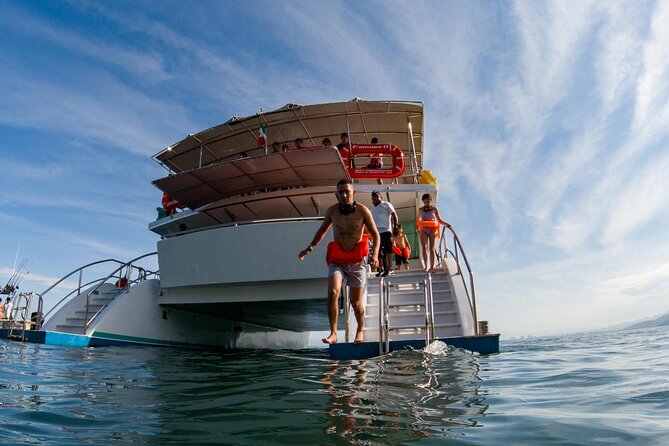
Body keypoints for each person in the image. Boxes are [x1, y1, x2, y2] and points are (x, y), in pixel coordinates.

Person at [299, 179, 380, 345]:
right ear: (336, 194)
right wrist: (310, 248)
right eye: (340, 192)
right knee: (333, 293)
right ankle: (334, 333)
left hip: (357, 262)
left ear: (353, 193)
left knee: (356, 302)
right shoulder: (332, 211)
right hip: (338, 260)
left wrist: (375, 255)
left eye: (347, 192)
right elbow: (322, 230)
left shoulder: (363, 211)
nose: (343, 195)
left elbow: (376, 235)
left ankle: (359, 330)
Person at [417, 193, 450, 272]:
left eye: (428, 201)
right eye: (425, 202)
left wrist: (446, 224)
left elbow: (439, 220)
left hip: (433, 229)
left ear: (431, 201)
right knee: (424, 247)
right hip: (424, 229)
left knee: (432, 248)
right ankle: (426, 266)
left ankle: (432, 267)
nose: (426, 203)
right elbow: (418, 221)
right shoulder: (420, 210)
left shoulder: (434, 209)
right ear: (423, 202)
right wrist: (417, 229)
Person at [370, 191, 398, 277]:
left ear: (381, 197)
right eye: (373, 197)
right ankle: (381, 269)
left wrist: (395, 227)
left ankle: (389, 268)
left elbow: (394, 215)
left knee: (388, 250)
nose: (375, 198)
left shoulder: (386, 204)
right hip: (376, 233)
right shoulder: (372, 209)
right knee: (378, 252)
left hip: (386, 230)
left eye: (377, 196)